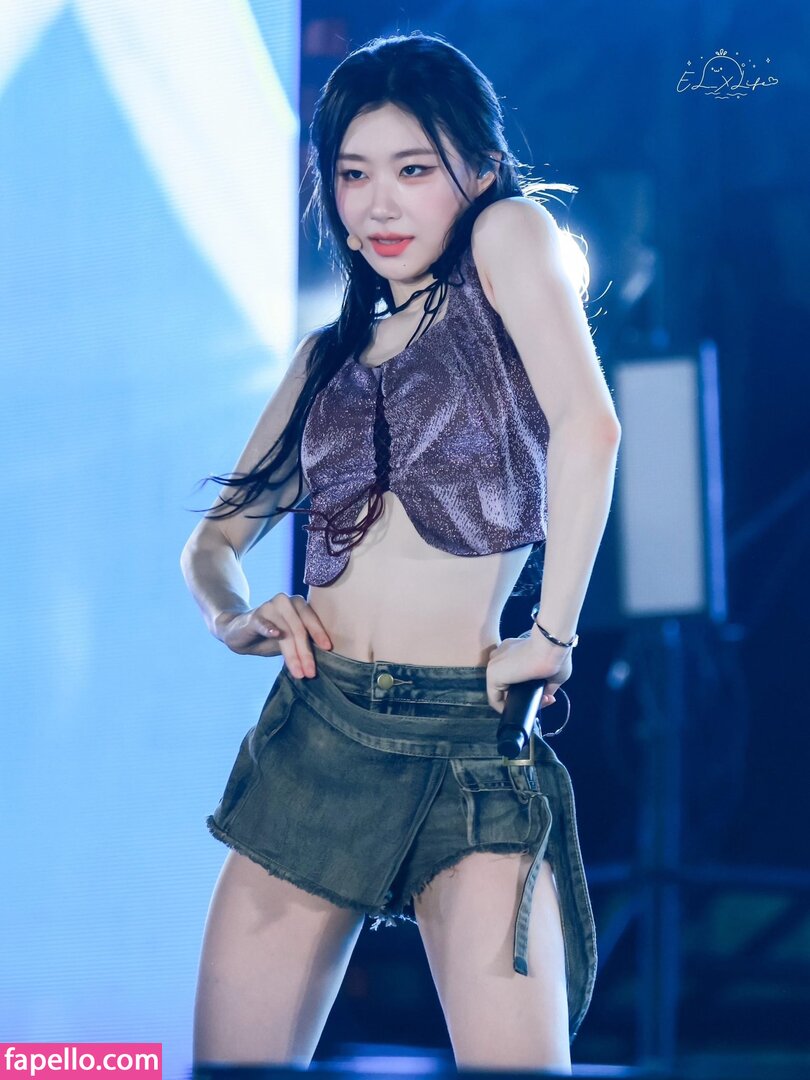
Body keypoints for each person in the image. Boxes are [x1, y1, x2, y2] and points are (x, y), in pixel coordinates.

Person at [181, 31, 621, 1075]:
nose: (379, 204)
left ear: (479, 169)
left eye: (413, 170)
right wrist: (234, 615)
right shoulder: (326, 357)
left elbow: (590, 426)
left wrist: (552, 634)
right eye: (353, 174)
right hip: (320, 731)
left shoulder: (509, 236)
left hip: (467, 740)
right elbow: (216, 537)